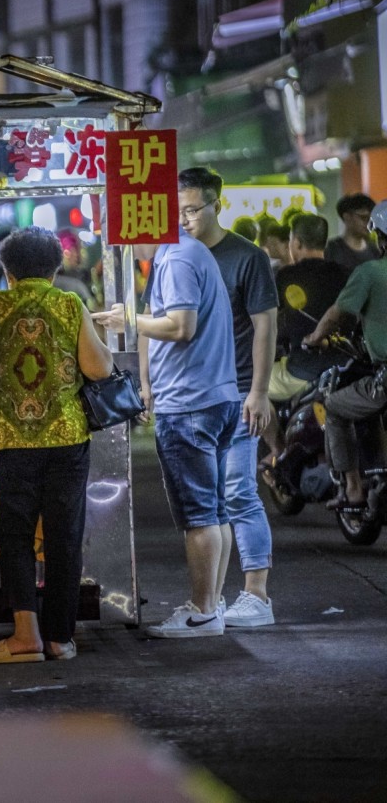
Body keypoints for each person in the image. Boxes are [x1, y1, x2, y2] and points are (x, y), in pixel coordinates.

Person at [0, 227, 113, 663]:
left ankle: (25, 636)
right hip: (67, 439)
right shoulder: (69, 303)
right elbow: (98, 369)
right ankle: (59, 638)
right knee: (64, 536)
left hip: (14, 441)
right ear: (55, 269)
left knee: (15, 536)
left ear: (8, 271)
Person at [95, 229, 240, 639]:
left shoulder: (176, 259)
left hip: (191, 404)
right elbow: (158, 323)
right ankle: (211, 603)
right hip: (213, 397)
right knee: (214, 511)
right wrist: (145, 382)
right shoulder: (181, 254)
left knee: (200, 515)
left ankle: (202, 611)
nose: (125, 248)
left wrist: (127, 319)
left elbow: (180, 327)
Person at [171, 167, 277, 629]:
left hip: (236, 393)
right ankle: (209, 603)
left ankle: (256, 594)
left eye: (193, 209)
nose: (185, 219)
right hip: (195, 395)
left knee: (238, 492)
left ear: (218, 204)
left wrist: (259, 392)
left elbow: (265, 326)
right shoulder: (177, 255)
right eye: (178, 211)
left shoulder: (246, 257)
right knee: (210, 502)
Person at [303, 200, 387, 511]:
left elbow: (336, 314)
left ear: (380, 237)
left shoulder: (370, 272)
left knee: (335, 408)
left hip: (383, 377)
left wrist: (314, 338)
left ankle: (352, 489)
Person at [265, 214, 349, 434]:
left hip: (302, 371)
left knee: (248, 384)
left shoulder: (286, 276)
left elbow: (270, 323)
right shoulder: (346, 274)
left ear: (297, 243)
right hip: (344, 368)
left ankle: (275, 447)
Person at [325, 193, 378, 274]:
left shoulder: (374, 251)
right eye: (363, 218)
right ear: (347, 217)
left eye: (371, 219)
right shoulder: (332, 250)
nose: (368, 223)